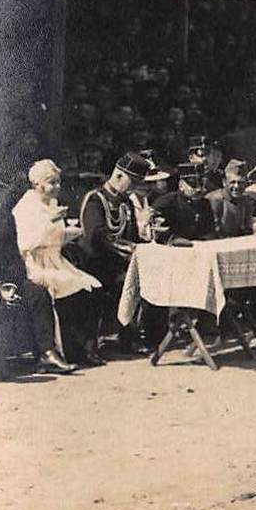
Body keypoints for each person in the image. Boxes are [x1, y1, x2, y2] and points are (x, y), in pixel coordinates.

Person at [0, 177, 77, 376]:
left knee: (38, 292)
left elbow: (13, 256)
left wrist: (13, 284)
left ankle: (46, 354)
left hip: (6, 280)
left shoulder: (4, 219)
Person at [13, 159, 99, 367]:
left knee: (90, 285)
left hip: (56, 260)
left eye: (58, 182)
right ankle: (50, 354)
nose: (57, 187)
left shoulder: (51, 203)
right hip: (36, 264)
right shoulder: (25, 207)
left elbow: (56, 238)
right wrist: (50, 221)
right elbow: (26, 244)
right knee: (66, 285)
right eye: (52, 183)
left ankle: (78, 349)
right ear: (37, 184)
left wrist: (74, 232)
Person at [78, 152, 151, 357]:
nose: (134, 188)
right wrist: (128, 250)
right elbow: (96, 236)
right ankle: (100, 342)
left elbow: (134, 236)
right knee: (125, 280)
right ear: (118, 176)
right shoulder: (95, 199)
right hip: (95, 263)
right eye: (132, 182)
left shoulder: (125, 202)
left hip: (120, 263)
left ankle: (130, 337)